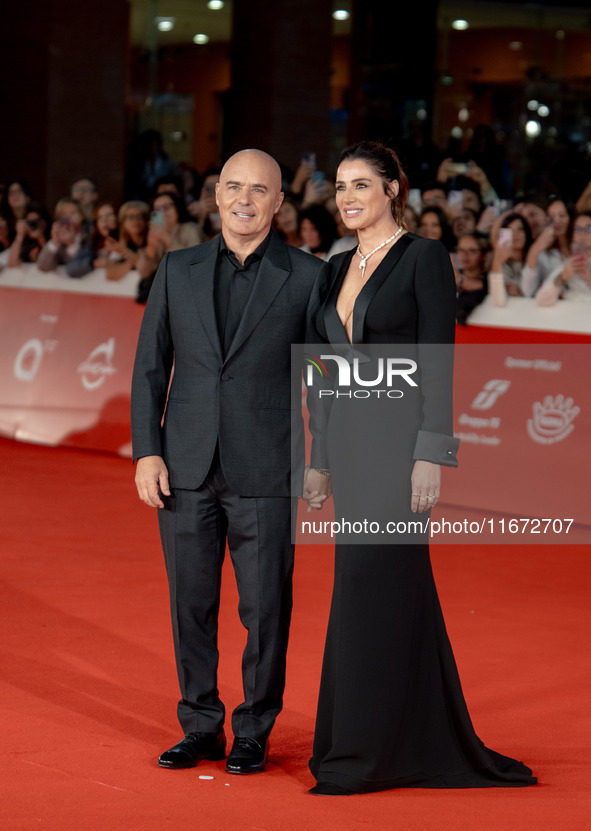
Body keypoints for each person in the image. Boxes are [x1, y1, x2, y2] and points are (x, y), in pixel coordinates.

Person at [307, 140, 536, 795]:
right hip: (347, 447)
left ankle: (366, 748)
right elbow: (323, 371)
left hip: (397, 443)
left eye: (360, 184)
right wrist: (317, 459)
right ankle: (392, 736)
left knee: (374, 583)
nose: (347, 196)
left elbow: (438, 358)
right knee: (374, 588)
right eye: (340, 186)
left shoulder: (423, 258)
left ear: (392, 189)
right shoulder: (335, 265)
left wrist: (429, 454)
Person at [131, 149, 329, 775]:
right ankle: (200, 725)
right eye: (234, 187)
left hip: (267, 465)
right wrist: (147, 451)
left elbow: (323, 376)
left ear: (278, 201)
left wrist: (321, 457)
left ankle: (254, 729)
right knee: (191, 602)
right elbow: (148, 370)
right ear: (216, 196)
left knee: (265, 606)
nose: (245, 199)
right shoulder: (177, 268)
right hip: (184, 464)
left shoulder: (306, 274)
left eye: (260, 189)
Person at [536, 212, 591, 305]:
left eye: (589, 228)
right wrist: (562, 278)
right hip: (569, 316)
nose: (583, 233)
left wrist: (588, 278)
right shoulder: (567, 265)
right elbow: (542, 301)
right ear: (572, 235)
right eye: (577, 229)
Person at [521, 198, 571, 298]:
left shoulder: (582, 246)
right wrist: (534, 251)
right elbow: (527, 291)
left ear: (571, 218)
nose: (557, 221)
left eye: (562, 215)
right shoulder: (542, 252)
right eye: (551, 217)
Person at [488, 212, 533, 305]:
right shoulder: (499, 264)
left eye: (520, 229)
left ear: (526, 233)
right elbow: (497, 301)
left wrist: (521, 295)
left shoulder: (536, 260)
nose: (515, 234)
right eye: (509, 230)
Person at [36, 198, 89, 274]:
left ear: (81, 215)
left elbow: (75, 269)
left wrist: (71, 244)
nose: (68, 218)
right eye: (64, 214)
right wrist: (54, 242)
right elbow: (43, 267)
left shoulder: (89, 239)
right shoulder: (59, 242)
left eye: (72, 213)